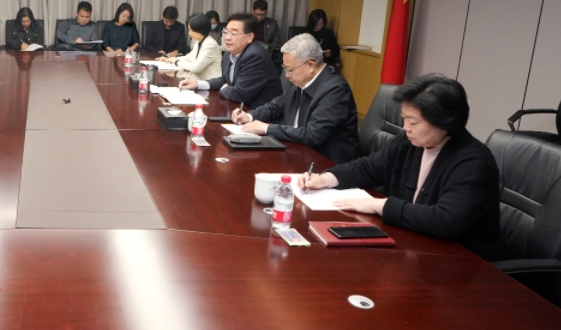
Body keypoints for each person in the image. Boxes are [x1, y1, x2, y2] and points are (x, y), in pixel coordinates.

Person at [301, 74, 503, 261]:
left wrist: (380, 205)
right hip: (411, 246)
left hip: (460, 263)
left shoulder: (473, 163)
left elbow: (445, 220)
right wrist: (326, 178)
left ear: (444, 124)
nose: (405, 127)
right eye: (404, 118)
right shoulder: (409, 143)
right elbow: (369, 167)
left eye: (413, 122)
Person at [234, 33, 360, 164]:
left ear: (310, 65)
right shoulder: (303, 81)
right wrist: (250, 116)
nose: (287, 75)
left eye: (290, 69)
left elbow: (312, 135)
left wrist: (266, 128)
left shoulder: (335, 90)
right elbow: (275, 107)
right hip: (297, 153)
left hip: (325, 164)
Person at [180, 14, 282, 109]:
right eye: (226, 32)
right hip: (237, 108)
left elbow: (239, 94)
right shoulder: (229, 53)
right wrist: (198, 84)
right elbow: (225, 80)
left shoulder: (255, 56)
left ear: (249, 37)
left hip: (258, 113)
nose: (227, 38)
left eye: (233, 33)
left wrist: (224, 88)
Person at [164, 13, 223, 80]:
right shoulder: (199, 41)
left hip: (211, 83)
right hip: (199, 80)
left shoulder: (210, 45)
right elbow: (189, 57)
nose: (190, 33)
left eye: (193, 30)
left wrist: (176, 62)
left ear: (201, 29)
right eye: (189, 30)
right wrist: (171, 59)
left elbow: (195, 68)